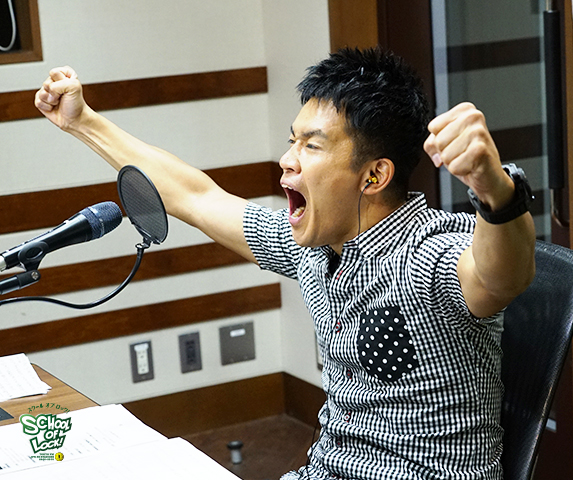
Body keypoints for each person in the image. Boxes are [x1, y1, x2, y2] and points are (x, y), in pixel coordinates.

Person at [35, 47, 535, 480]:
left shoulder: (430, 252)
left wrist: (493, 186)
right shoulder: (313, 246)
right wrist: (84, 122)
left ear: (374, 176)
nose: (288, 159)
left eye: (311, 145)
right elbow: (196, 196)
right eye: (293, 140)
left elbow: (500, 276)